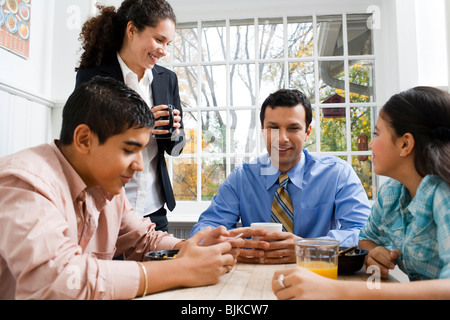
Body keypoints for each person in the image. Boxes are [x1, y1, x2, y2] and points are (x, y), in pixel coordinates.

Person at [0, 77, 245, 300]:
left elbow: (144, 239)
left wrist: (189, 249)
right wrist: (181, 269)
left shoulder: (104, 186)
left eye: (142, 150)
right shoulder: (24, 183)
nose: (139, 165)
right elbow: (59, 281)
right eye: (129, 150)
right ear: (84, 139)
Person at [272, 86, 450, 299]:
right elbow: (364, 239)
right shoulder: (392, 194)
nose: (371, 144)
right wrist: (374, 253)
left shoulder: (442, 192)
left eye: (377, 133)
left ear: (405, 143)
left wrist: (335, 290)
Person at [190, 89, 371, 264]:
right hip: (253, 272)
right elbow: (205, 230)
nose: (282, 138)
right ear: (263, 130)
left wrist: (307, 248)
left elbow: (364, 233)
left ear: (307, 132)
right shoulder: (242, 177)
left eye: (293, 128)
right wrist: (230, 243)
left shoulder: (337, 174)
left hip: (317, 272)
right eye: (273, 128)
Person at [75, 0, 185, 232]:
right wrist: (142, 124)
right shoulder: (92, 75)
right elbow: (83, 143)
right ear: (132, 30)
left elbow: (176, 149)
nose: (164, 50)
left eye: (168, 43)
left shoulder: (168, 79)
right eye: (158, 40)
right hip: (105, 206)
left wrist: (173, 133)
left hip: (155, 210)